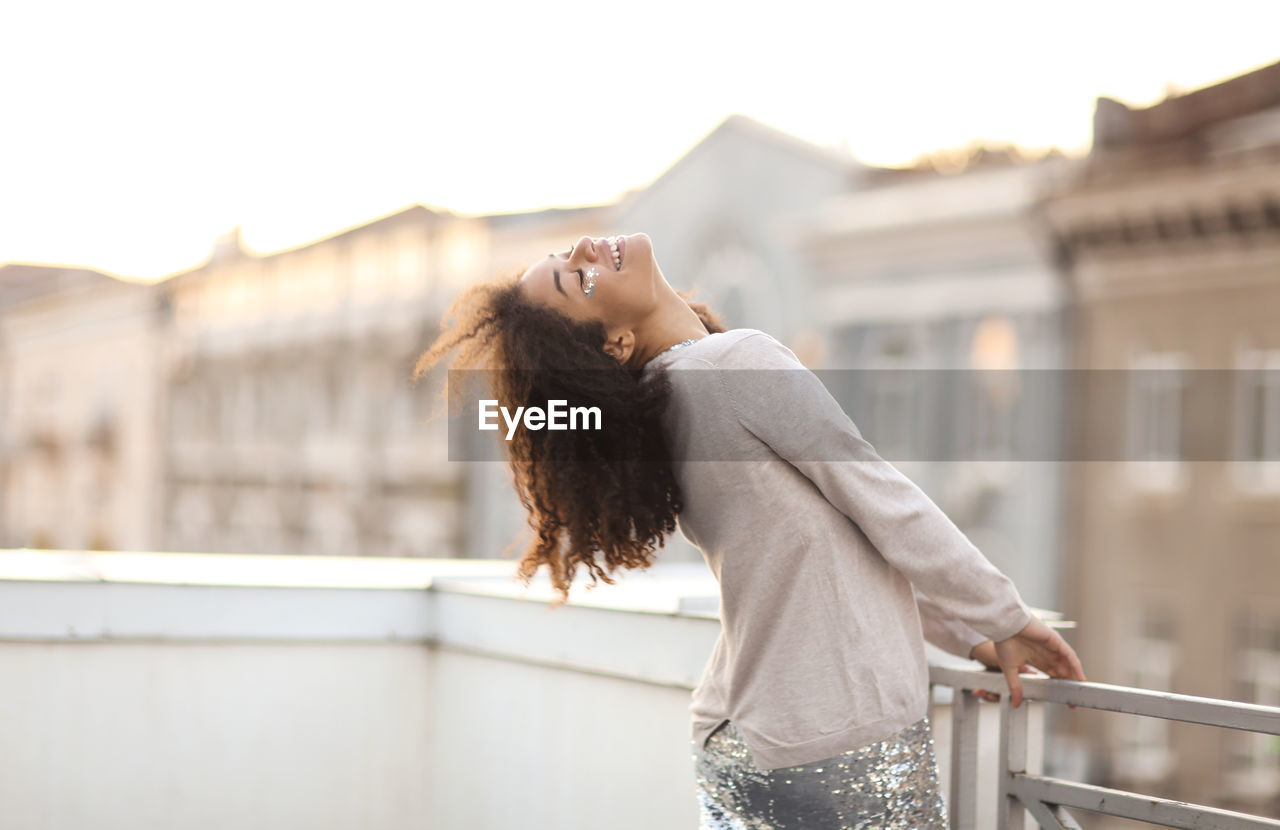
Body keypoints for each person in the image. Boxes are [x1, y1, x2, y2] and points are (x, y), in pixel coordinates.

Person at [413, 232, 1086, 829]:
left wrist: (972, 636)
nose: (587, 250)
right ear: (615, 342)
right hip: (831, 743)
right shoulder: (729, 367)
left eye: (567, 256)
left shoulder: (668, 402)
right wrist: (1005, 616)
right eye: (578, 280)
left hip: (745, 738)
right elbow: (880, 499)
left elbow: (837, 542)